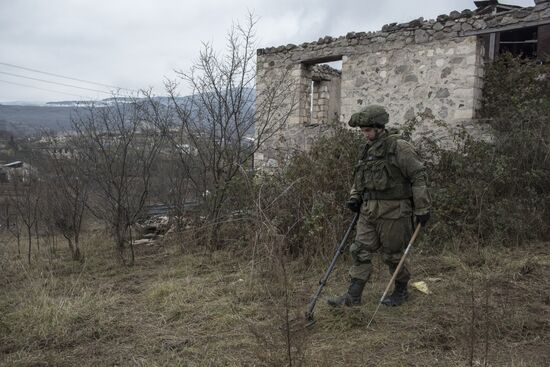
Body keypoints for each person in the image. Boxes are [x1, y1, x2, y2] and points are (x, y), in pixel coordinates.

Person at [327, 105, 431, 307]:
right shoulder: (367, 149)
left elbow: (418, 177)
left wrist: (422, 208)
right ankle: (353, 297)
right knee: (359, 250)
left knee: (392, 255)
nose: (365, 135)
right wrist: (355, 196)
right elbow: (359, 177)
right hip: (368, 210)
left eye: (367, 131)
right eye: (363, 131)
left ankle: (400, 291)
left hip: (394, 212)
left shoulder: (399, 148)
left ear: (379, 127)